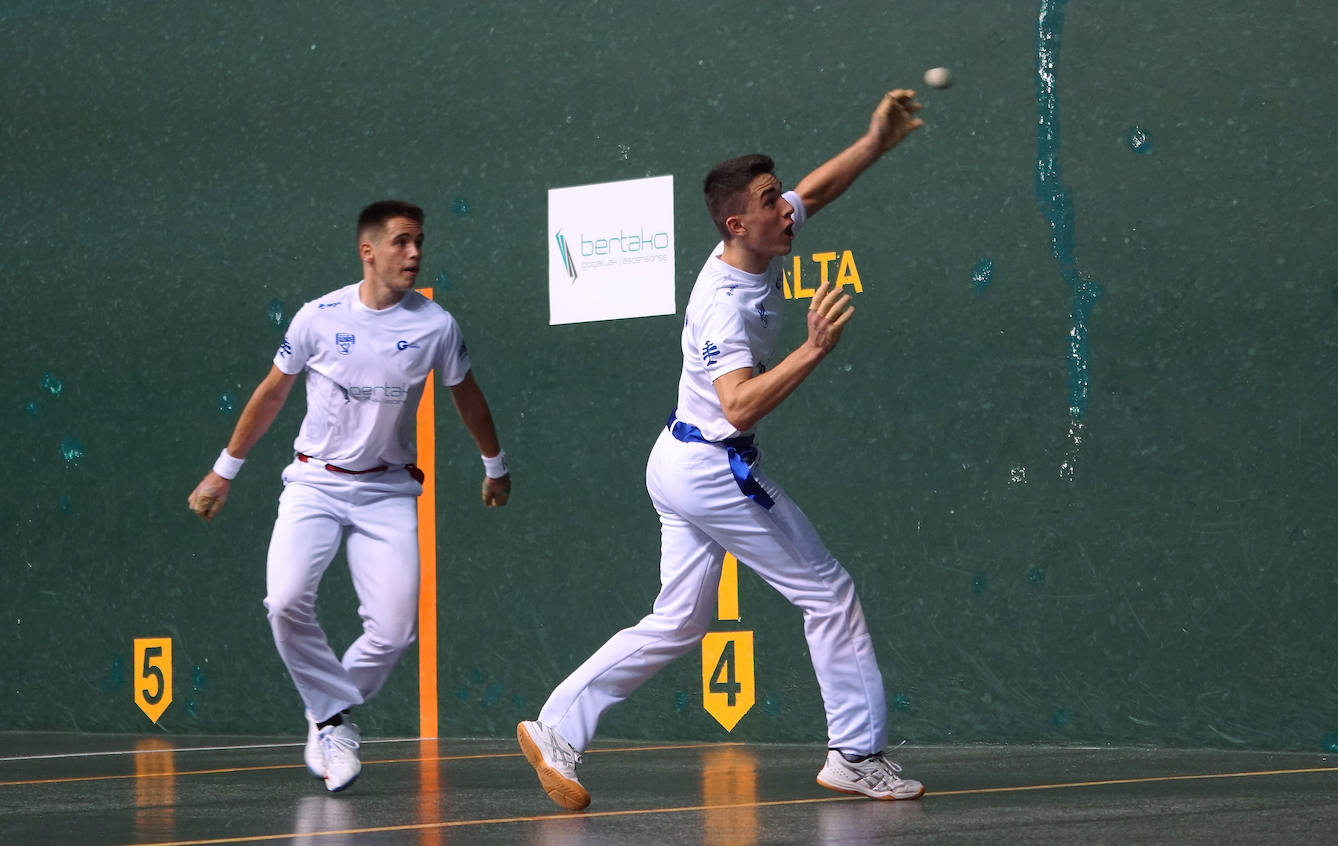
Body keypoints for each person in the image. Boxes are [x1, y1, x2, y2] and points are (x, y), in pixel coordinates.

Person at [516, 90, 925, 810]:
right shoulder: (725, 304)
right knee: (827, 592)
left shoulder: (760, 234)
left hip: (679, 457)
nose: (787, 208)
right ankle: (856, 754)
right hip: (709, 467)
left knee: (678, 621)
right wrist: (813, 349)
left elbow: (818, 190)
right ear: (740, 222)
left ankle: (556, 728)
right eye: (773, 201)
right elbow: (737, 402)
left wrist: (876, 142)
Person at [186, 200, 511, 792]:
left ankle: (324, 712)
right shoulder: (317, 317)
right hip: (314, 482)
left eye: (419, 243)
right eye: (402, 243)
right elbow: (271, 394)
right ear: (369, 251)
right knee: (284, 601)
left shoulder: (435, 326)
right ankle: (335, 721)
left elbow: (468, 395)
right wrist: (223, 471)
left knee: (393, 632)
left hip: (387, 490)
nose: (414, 253)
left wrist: (495, 464)